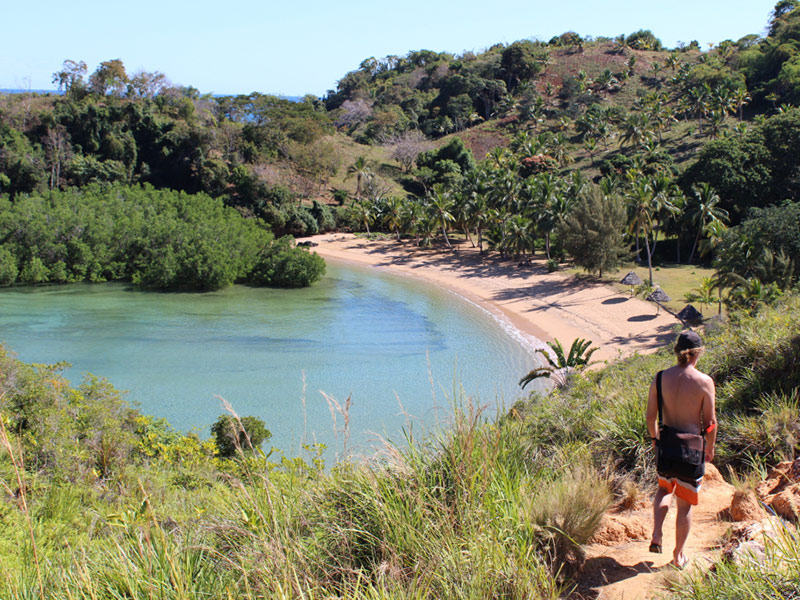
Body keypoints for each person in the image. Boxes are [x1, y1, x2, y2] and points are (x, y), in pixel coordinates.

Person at [646, 330, 717, 569]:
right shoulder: (704, 382)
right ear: (698, 354)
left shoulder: (660, 378)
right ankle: (678, 557)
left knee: (663, 490)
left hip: (666, 446)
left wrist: (655, 439)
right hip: (691, 451)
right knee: (684, 504)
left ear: (677, 352)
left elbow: (650, 417)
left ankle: (657, 534)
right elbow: (710, 423)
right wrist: (710, 447)